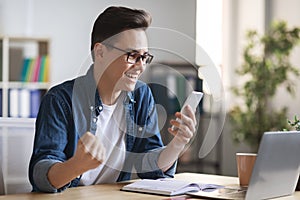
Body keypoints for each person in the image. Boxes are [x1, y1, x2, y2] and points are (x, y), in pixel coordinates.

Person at [29, 6, 197, 193]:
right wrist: (76, 166)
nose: (141, 67)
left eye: (145, 57)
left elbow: (150, 169)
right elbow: (41, 176)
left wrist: (177, 144)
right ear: (100, 52)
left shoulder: (141, 96)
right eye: (133, 56)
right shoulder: (60, 100)